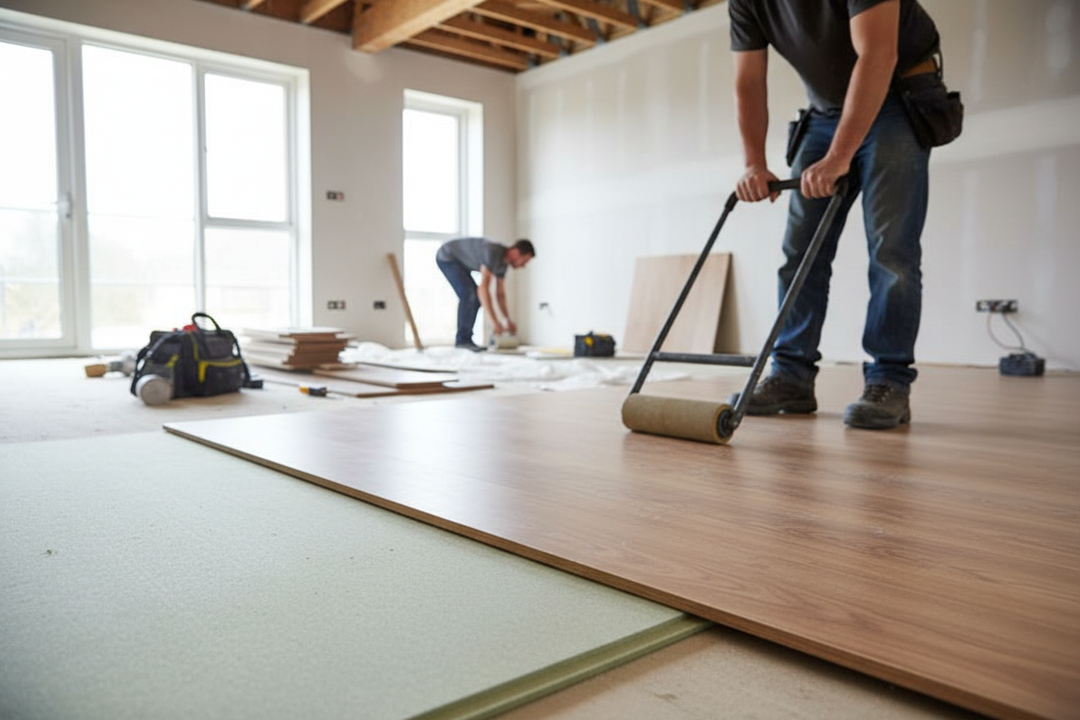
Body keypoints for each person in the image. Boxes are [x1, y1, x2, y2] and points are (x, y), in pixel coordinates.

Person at [729, 0, 942, 429]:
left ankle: (889, 382)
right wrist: (753, 162)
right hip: (824, 112)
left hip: (897, 97)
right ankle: (790, 375)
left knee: (892, 253)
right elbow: (749, 81)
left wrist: (839, 156)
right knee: (800, 255)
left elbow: (878, 53)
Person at [436, 237, 534, 351]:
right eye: (524, 261)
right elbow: (483, 288)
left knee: (475, 297)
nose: (523, 265)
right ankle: (462, 341)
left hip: (461, 262)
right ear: (515, 252)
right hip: (448, 256)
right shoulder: (493, 252)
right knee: (469, 295)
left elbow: (500, 294)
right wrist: (494, 322)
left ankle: (466, 340)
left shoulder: (502, 265)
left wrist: (507, 320)